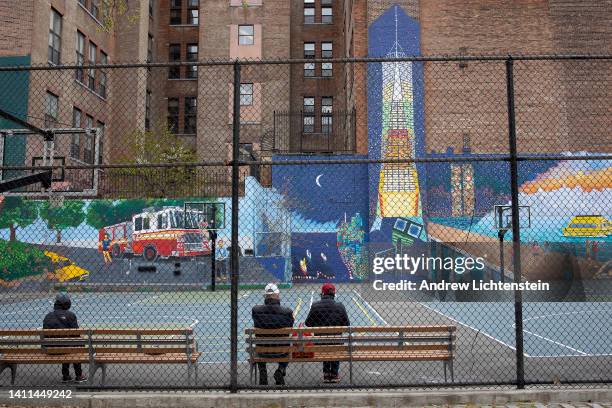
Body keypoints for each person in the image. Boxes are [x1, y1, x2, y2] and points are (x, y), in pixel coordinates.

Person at [305, 283, 350, 383]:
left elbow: (308, 323)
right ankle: (334, 373)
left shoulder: (315, 306)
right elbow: (346, 323)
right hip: (336, 342)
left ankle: (326, 373)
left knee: (324, 342)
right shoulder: (340, 306)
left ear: (322, 293)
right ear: (334, 293)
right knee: (335, 343)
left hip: (320, 342)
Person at [251, 283, 294, 386]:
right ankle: (281, 370)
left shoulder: (256, 311)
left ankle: (263, 372)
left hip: (262, 351)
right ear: (277, 295)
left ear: (265, 296)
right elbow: (290, 325)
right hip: (282, 351)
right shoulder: (287, 312)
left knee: (259, 346)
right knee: (289, 345)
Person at [42, 293, 87, 383]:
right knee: (75, 344)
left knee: (66, 343)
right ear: (67, 304)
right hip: (66, 349)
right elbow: (76, 334)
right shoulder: (70, 315)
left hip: (50, 349)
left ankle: (65, 375)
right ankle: (79, 375)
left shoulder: (48, 316)